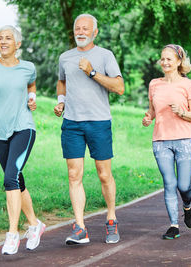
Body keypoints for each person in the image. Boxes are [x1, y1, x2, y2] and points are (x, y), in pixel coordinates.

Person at [53, 14, 124, 245]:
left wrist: (92, 72)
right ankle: (80, 227)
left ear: (95, 32)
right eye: (77, 28)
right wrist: (61, 100)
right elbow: (62, 81)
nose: (80, 32)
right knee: (74, 175)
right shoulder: (65, 57)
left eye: (85, 28)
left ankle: (111, 218)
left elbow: (119, 87)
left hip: (98, 122)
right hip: (72, 123)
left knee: (104, 174)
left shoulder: (105, 56)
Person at [0, 25, 46, 255]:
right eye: (0, 38)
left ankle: (12, 234)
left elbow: (31, 85)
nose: (3, 41)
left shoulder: (28, 67)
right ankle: (35, 225)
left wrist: (32, 98)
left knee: (10, 178)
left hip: (23, 128)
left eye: (8, 38)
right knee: (17, 180)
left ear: (17, 44)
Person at [142, 44, 191, 239]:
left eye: (169, 59)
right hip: (161, 140)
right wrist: (148, 117)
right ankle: (174, 225)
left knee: (183, 186)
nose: (165, 62)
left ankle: (188, 206)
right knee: (169, 182)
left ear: (179, 61)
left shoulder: (188, 84)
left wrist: (182, 112)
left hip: (184, 139)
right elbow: (152, 110)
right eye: (162, 59)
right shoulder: (154, 84)